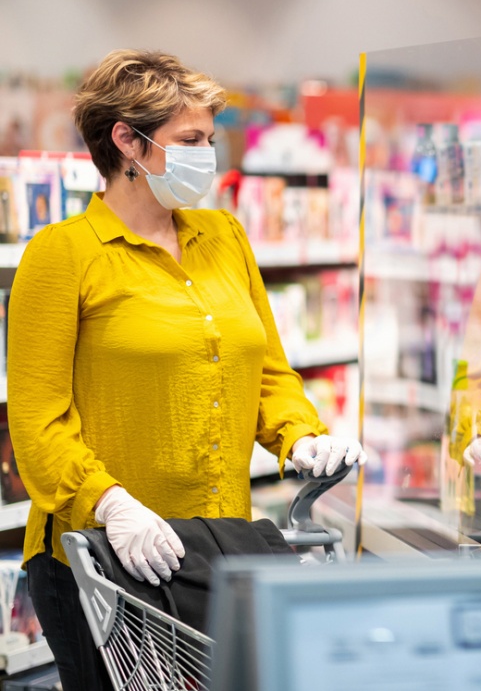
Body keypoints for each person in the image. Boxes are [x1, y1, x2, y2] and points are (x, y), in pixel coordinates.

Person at [7, 49, 366, 691]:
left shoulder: (224, 236)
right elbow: (37, 424)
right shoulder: (62, 257)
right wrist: (110, 503)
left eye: (210, 138)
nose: (208, 154)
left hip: (219, 549)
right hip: (103, 562)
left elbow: (267, 374)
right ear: (127, 142)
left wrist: (300, 436)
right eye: (190, 140)